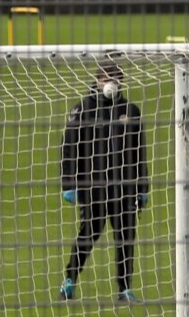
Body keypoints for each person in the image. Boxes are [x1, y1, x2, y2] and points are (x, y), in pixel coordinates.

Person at [59, 60, 149, 303]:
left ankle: (124, 289)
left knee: (125, 237)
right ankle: (69, 280)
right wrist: (69, 184)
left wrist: (142, 187)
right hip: (93, 187)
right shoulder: (82, 109)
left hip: (123, 187)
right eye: (107, 79)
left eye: (116, 79)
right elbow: (69, 148)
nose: (111, 84)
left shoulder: (131, 111)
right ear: (97, 81)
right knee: (88, 234)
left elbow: (140, 151)